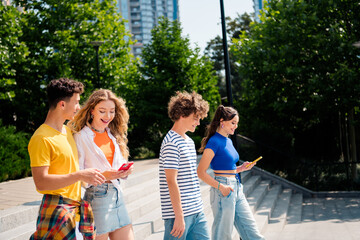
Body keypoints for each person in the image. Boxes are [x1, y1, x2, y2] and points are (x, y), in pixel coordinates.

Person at [28, 78, 106, 239]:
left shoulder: (67, 131)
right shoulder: (41, 138)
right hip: (56, 209)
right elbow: (41, 183)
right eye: (76, 102)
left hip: (74, 210)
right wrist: (79, 175)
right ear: (62, 104)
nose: (79, 107)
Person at [68, 89, 134, 240]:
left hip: (117, 195)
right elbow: (79, 174)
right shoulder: (81, 136)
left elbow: (118, 164)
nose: (108, 116)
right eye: (102, 111)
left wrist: (124, 171)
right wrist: (104, 176)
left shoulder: (113, 134)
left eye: (111, 111)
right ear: (92, 111)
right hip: (97, 198)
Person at [197, 105, 265, 240]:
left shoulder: (228, 140)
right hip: (223, 189)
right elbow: (200, 172)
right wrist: (220, 187)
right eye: (233, 123)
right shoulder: (214, 142)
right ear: (222, 121)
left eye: (237, 123)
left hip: (236, 187)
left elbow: (226, 166)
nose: (235, 126)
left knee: (252, 233)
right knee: (223, 235)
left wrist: (241, 168)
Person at [159, 91, 211, 240]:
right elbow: (171, 180)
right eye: (196, 118)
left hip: (197, 211)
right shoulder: (171, 142)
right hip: (179, 215)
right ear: (182, 115)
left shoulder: (188, 141)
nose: (198, 123)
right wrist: (179, 216)